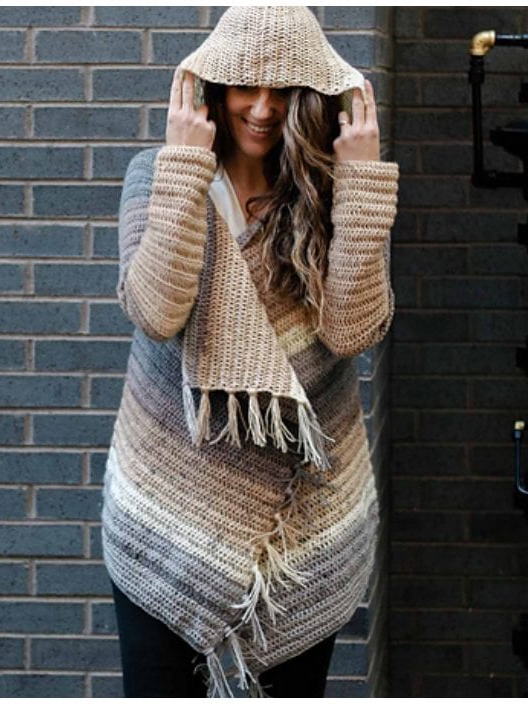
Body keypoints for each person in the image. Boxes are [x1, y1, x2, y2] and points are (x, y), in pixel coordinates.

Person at [102, 7, 399, 697]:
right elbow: (155, 311)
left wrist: (360, 181)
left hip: (299, 531)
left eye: (284, 91)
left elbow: (354, 331)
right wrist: (183, 163)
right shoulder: (157, 177)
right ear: (210, 87)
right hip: (167, 516)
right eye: (245, 87)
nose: (262, 110)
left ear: (314, 97)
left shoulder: (331, 193)